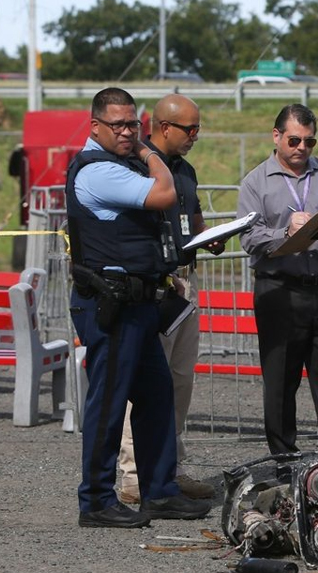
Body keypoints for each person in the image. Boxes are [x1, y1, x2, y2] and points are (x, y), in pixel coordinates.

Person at [66, 87, 210, 528]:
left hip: (139, 304)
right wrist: (150, 153)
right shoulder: (99, 171)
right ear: (96, 127)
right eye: (119, 125)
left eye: (134, 124)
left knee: (155, 398)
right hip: (111, 304)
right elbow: (165, 193)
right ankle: (95, 500)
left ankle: (160, 492)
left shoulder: (116, 165)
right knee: (108, 404)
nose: (129, 132)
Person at [238, 104, 318, 477]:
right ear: (276, 137)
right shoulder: (255, 181)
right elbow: (249, 237)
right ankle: (284, 462)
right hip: (278, 290)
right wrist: (287, 233)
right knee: (280, 381)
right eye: (294, 140)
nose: (302, 148)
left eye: (309, 141)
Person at [116, 94, 218, 504]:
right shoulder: (135, 168)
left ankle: (167, 468)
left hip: (184, 283)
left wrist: (207, 236)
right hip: (153, 287)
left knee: (178, 382)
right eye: (189, 129)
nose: (195, 136)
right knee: (142, 384)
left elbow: (190, 220)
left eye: (198, 129)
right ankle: (132, 475)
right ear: (163, 127)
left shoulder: (186, 171)